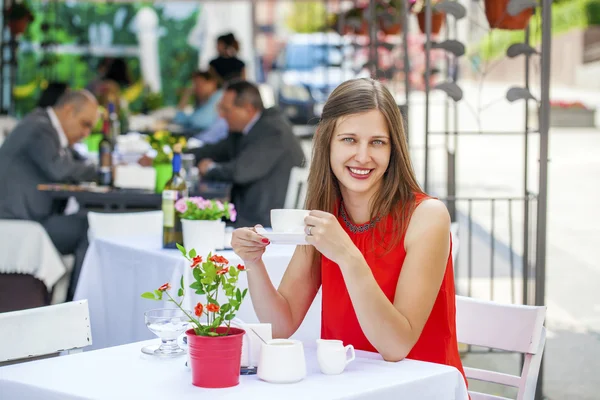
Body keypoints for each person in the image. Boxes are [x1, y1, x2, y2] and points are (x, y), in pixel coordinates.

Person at [230, 78, 466, 381]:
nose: (363, 156)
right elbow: (280, 325)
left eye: (377, 142)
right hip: (347, 387)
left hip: (419, 388)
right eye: (349, 140)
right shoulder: (326, 217)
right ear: (326, 140)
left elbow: (396, 346)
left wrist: (349, 257)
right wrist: (253, 263)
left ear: (394, 149)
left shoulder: (427, 217)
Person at [0, 90, 99, 301]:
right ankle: (75, 304)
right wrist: (104, 171)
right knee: (88, 226)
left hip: (27, 216)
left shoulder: (42, 125)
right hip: (19, 219)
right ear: (69, 110)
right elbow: (60, 170)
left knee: (86, 221)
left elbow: (72, 163)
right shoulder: (39, 129)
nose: (86, 133)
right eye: (85, 124)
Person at [185, 80, 305, 228]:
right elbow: (215, 150)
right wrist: (177, 155)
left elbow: (240, 172)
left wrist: (210, 169)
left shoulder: (273, 130)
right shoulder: (247, 128)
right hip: (247, 212)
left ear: (248, 109)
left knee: (194, 222)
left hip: (263, 219)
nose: (221, 116)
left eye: (226, 110)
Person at [172, 70, 227, 143]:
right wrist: (185, 96)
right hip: (202, 142)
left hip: (211, 145)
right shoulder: (204, 101)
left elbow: (200, 121)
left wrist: (188, 120)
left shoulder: (219, 97)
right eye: (195, 85)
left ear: (212, 83)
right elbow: (178, 119)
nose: (196, 88)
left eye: (200, 84)